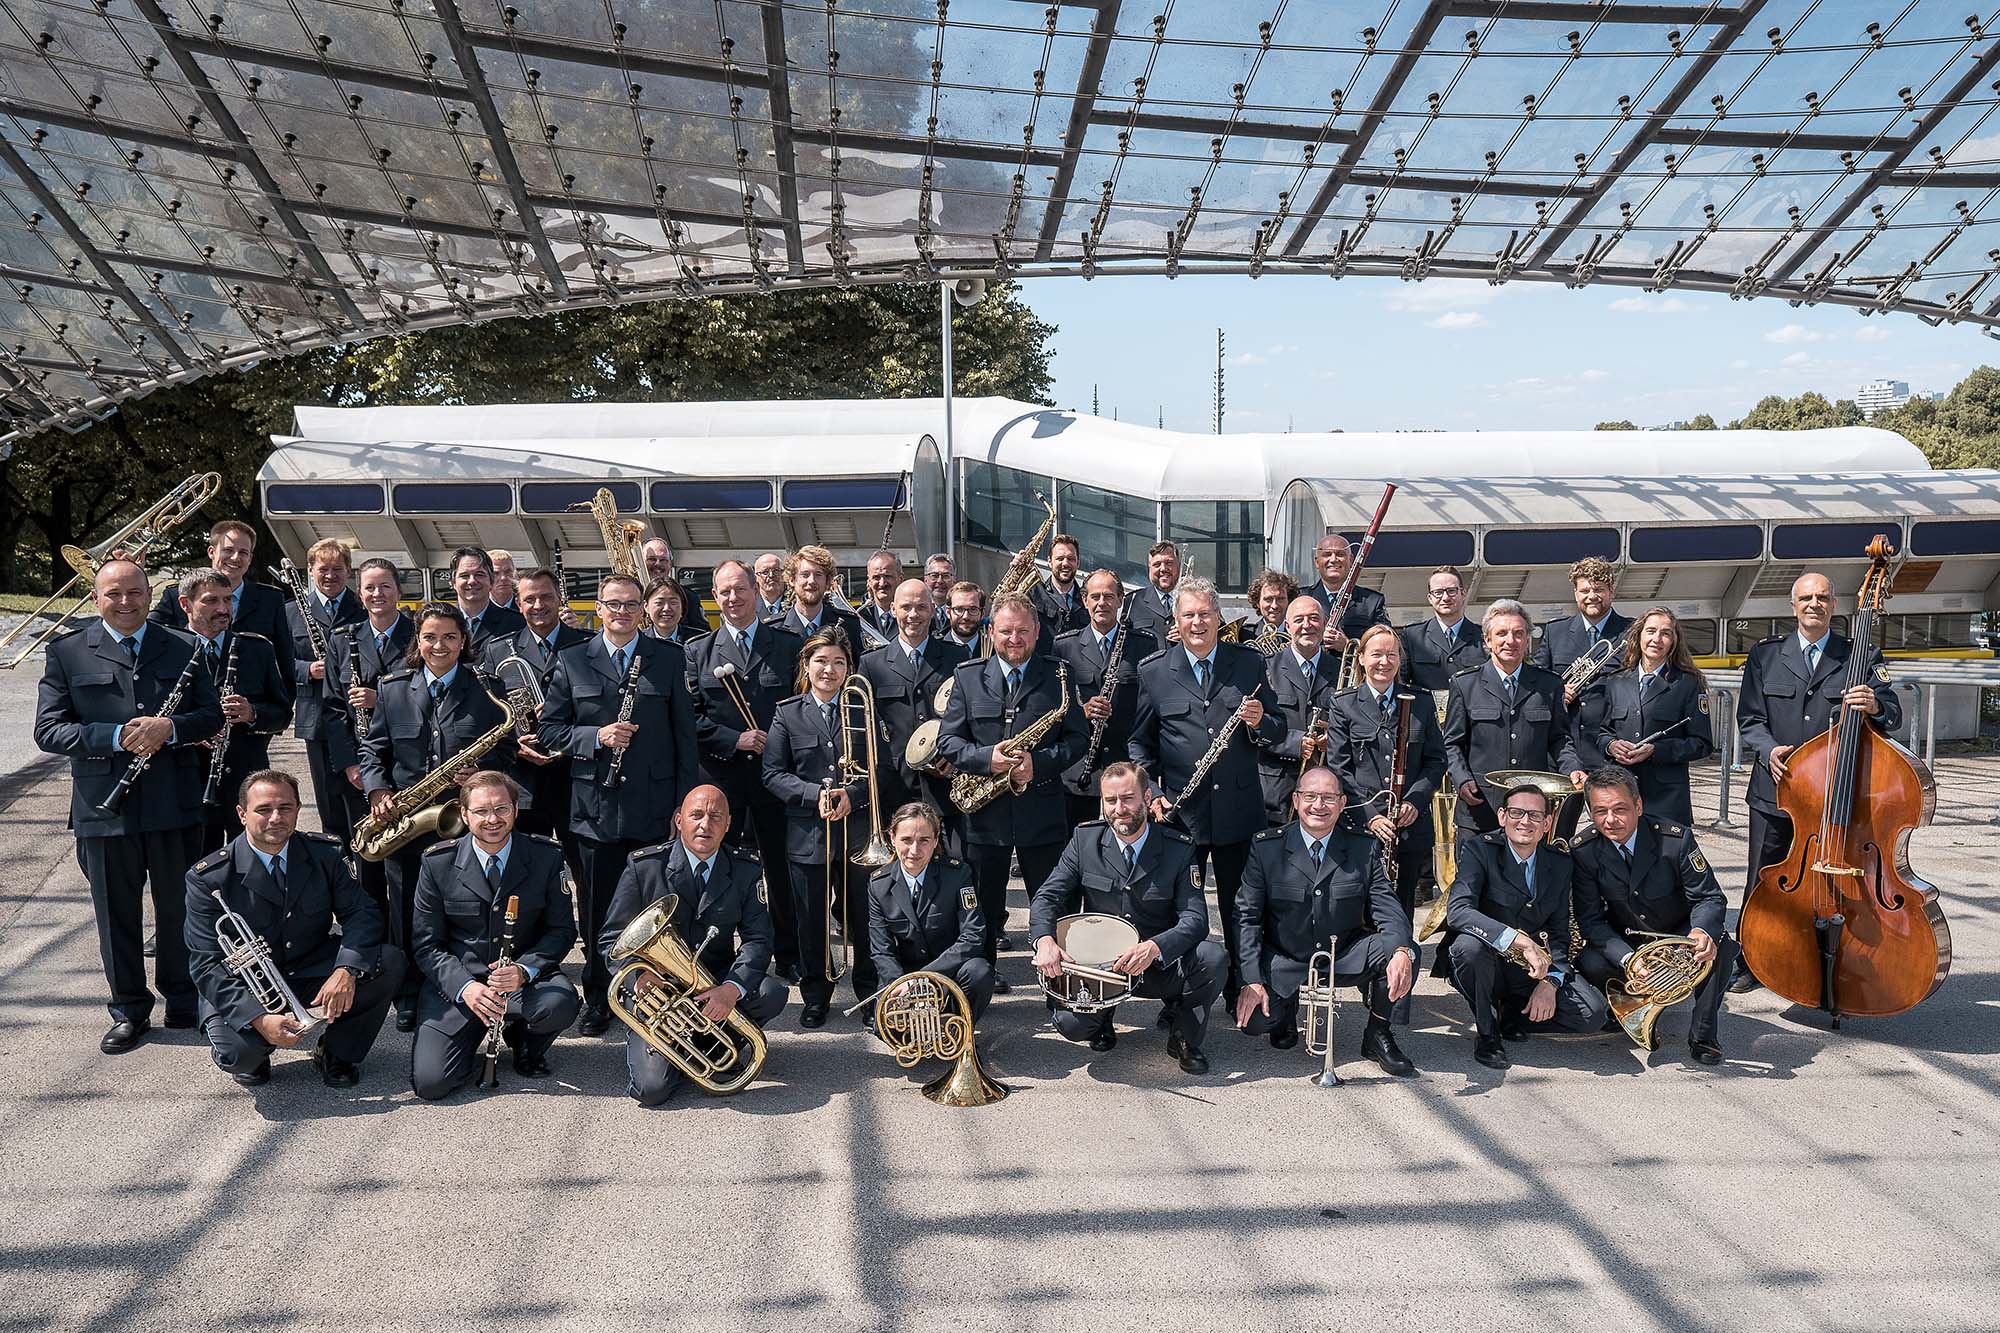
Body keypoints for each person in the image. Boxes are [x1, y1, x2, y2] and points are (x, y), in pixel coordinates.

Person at [36, 556, 222, 1053]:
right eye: (114, 593)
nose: (125, 602)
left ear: (149, 595)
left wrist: (171, 727)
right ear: (95, 598)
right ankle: (129, 1009)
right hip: (104, 809)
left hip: (173, 803)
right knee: (115, 914)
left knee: (180, 909)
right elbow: (49, 730)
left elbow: (211, 716)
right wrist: (116, 736)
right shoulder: (67, 652)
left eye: (135, 592)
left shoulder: (184, 646)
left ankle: (183, 1000)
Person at [537, 572, 699, 1034]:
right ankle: (599, 997)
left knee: (657, 909)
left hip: (654, 806)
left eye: (631, 604)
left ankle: (659, 997)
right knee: (598, 909)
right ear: (599, 609)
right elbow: (549, 731)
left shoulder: (668, 658)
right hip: (596, 811)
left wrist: (683, 806)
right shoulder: (572, 659)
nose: (622, 612)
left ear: (642, 610)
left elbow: (685, 739)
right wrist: (597, 736)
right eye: (614, 604)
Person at [1733, 571, 1899, 991]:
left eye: (1822, 597)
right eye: (1806, 598)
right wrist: (1768, 749)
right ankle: (1750, 959)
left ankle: (1824, 956)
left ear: (1834, 605)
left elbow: (1893, 714)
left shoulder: (1861, 654)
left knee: (1834, 882)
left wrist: (1875, 704)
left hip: (1836, 797)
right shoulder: (1766, 654)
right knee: (1762, 877)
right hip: (1776, 790)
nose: (1814, 604)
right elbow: (1749, 718)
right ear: (1793, 606)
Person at [354, 601, 516, 1030]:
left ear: (463, 641)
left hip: (464, 821)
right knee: (406, 910)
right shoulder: (392, 688)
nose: (438, 645)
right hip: (407, 821)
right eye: (429, 637)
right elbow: (373, 750)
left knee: (464, 909)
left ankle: (462, 985)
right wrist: (378, 790)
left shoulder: (486, 688)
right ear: (417, 641)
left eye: (449, 637)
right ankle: (408, 994)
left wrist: (481, 770)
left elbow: (506, 751)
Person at [183, 770, 401, 1087]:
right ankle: (255, 1055)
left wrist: (346, 970)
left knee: (388, 961)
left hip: (310, 966)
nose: (276, 818)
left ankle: (337, 1053)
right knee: (238, 1054)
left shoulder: (324, 853)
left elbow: (362, 913)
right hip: (247, 985)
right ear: (242, 814)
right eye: (263, 809)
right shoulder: (209, 877)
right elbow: (205, 964)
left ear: (298, 809)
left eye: (285, 808)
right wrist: (258, 1018)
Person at [1128, 576, 1283, 1005]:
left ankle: (1240, 987)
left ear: (1218, 617)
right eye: (1189, 615)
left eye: (1205, 614)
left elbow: (1277, 729)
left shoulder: (1248, 663)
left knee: (1242, 909)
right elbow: (1139, 744)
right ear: (1176, 620)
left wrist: (1260, 722)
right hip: (1181, 815)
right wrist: (1152, 789)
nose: (1197, 622)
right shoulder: (1154, 670)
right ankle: (1178, 996)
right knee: (1178, 911)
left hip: (1239, 812)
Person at [598, 784, 788, 1106]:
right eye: (696, 815)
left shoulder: (745, 869)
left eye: (716, 817)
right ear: (679, 820)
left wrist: (731, 988)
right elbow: (610, 939)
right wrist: (637, 978)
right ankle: (689, 1051)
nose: (705, 824)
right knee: (652, 1090)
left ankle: (708, 1046)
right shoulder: (645, 866)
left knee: (771, 993)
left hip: (714, 981)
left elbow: (758, 938)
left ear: (728, 824)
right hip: (657, 994)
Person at [936, 593, 1089, 987]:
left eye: (1023, 630)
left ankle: (1060, 984)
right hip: (984, 815)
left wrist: (1039, 763)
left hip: (1041, 810)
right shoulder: (968, 676)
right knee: (982, 908)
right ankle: (980, 981)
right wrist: (986, 758)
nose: (1015, 639)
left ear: (1037, 631)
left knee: (1053, 902)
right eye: (1006, 631)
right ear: (991, 632)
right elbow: (948, 742)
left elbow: (1078, 739)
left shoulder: (1059, 675)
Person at [1031, 763, 1225, 1074]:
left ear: (1147, 798)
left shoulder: (1178, 847)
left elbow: (1195, 918)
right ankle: (1101, 1019)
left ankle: (1183, 1035)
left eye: (1128, 798)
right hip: (1100, 969)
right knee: (1072, 1026)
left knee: (1213, 957)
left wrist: (1155, 947)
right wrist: (1044, 941)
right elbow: (1047, 896)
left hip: (1156, 965)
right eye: (1110, 800)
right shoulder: (1084, 840)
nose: (1119, 809)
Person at [1234, 767, 1418, 1075]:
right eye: (1310, 796)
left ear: (1343, 803)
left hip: (1342, 954)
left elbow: (1387, 906)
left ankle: (1378, 1033)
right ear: (1296, 800)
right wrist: (1251, 979)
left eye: (1329, 798)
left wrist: (1401, 950)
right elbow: (1247, 917)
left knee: (1404, 950)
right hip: (1285, 958)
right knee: (1254, 1023)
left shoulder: (1364, 846)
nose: (1318, 805)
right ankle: (1286, 1006)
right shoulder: (1266, 847)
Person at [409, 771, 580, 1098]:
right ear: (464, 814)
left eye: (501, 809)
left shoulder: (545, 856)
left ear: (515, 810)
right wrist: (466, 988)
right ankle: (471, 1032)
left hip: (519, 983)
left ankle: (525, 1042)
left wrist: (524, 970)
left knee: (559, 1003)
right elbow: (427, 945)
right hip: (461, 986)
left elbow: (561, 931)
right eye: (481, 811)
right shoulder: (437, 863)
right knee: (432, 1084)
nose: (492, 819)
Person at [1569, 766, 1735, 1064]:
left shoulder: (1674, 839)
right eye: (1600, 811)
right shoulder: (1584, 850)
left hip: (1679, 935)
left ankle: (1703, 1034)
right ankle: (1633, 1006)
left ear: (1639, 805)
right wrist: (1628, 959)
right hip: (1627, 939)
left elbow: (1709, 897)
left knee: (1718, 944)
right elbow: (1590, 920)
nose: (1610, 820)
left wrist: (1700, 932)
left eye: (1620, 809)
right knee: (1589, 960)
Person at [1324, 624, 1445, 1018]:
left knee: (1401, 910)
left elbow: (1436, 761)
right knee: (1359, 910)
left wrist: (1415, 801)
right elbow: (1339, 768)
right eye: (1375, 654)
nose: (1384, 661)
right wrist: (1371, 815)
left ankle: (1393, 1004)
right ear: (1361, 658)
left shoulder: (1419, 702)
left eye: (1391, 654)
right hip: (1361, 829)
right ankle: (1369, 978)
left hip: (1408, 827)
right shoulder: (1343, 704)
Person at [1442, 784, 1608, 1070]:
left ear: (1547, 823)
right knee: (1467, 949)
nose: (1525, 821)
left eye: (1535, 815)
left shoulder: (1560, 863)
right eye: (1517, 813)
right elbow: (1458, 911)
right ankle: (1487, 1033)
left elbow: (1560, 932)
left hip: (1530, 968)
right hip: (1487, 961)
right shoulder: (1480, 849)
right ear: (1502, 816)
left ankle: (1513, 1015)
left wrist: (1551, 982)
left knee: (1591, 1015)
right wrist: (1520, 940)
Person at [761, 629, 880, 1025]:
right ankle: (815, 996)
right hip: (808, 834)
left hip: (857, 831)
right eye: (821, 661)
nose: (829, 670)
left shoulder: (862, 710)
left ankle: (869, 993)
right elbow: (772, 774)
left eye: (838, 662)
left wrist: (854, 794)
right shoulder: (787, 712)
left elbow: (882, 768)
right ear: (806, 665)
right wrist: (816, 794)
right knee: (811, 921)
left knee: (863, 917)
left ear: (849, 668)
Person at [1443, 599, 1583, 836]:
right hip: (1480, 807)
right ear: (1487, 640)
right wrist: (1462, 779)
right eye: (1502, 633)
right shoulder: (1464, 684)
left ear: (1528, 640)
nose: (1511, 640)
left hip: (1531, 811)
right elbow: (1451, 743)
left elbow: (1560, 739)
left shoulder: (1549, 684)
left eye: (1518, 634)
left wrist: (1573, 768)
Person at [180, 569, 291, 853]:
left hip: (246, 779)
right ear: (185, 604)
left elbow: (282, 713)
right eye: (211, 600)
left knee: (250, 863)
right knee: (197, 863)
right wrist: (192, 730)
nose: (223, 608)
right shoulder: (169, 650)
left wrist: (252, 713)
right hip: (189, 781)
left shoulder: (256, 648)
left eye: (228, 600)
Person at [324, 557, 413, 904]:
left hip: (407, 763)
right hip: (360, 768)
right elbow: (332, 708)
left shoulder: (418, 634)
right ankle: (372, 928)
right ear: (359, 594)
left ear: (398, 591)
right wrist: (350, 763)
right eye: (370, 588)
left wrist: (381, 699)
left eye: (385, 586)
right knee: (367, 856)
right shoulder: (342, 640)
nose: (378, 594)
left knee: (407, 857)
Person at [481, 568, 589, 841]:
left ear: (559, 599)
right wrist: (515, 747)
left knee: (582, 863)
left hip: (576, 777)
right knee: (527, 862)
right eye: (530, 599)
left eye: (546, 597)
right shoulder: (498, 650)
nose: (538, 605)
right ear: (519, 604)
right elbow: (488, 715)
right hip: (524, 780)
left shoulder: (587, 644)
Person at [858, 578, 966, 848]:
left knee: (955, 867)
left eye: (921, 607)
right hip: (896, 788)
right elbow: (866, 729)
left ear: (933, 609)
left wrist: (956, 757)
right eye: (906, 607)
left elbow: (970, 717)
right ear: (893, 609)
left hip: (948, 787)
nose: (913, 615)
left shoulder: (958, 657)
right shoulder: (871, 663)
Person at [864, 803, 993, 1022]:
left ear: (935, 841)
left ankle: (957, 1026)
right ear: (892, 838)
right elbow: (881, 950)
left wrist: (923, 980)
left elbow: (973, 936)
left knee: (979, 972)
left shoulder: (958, 874)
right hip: (904, 977)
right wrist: (900, 985)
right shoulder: (878, 884)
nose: (915, 850)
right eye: (906, 840)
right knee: (885, 1028)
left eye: (924, 840)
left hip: (949, 972)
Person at [1053, 569, 1156, 827]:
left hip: (1128, 766)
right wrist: (1082, 712)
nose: (1102, 603)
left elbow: (1151, 708)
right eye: (1095, 596)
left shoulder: (1143, 644)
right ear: (1084, 600)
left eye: (1109, 596)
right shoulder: (1064, 646)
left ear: (1121, 600)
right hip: (1080, 772)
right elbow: (1053, 708)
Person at [1593, 606, 1714, 825]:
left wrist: (1656, 751)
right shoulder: (1616, 681)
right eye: (1650, 631)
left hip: (1667, 799)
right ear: (1639, 635)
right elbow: (1603, 733)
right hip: (1621, 793)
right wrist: (1611, 745)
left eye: (1665, 633)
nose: (1656, 639)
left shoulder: (1687, 684)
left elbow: (1702, 744)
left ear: (1674, 641)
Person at [281, 538, 366, 846]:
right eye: (323, 569)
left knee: (362, 797)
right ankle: (336, 860)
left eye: (337, 569)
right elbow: (277, 662)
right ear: (310, 570)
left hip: (358, 716)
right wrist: (307, 670)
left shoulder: (364, 607)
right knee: (328, 803)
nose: (330, 576)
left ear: (349, 571)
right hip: (316, 719)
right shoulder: (290, 612)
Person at [147, 519, 295, 684]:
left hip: (249, 694)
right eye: (228, 550)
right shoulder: (177, 595)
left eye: (243, 552)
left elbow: (285, 660)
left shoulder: (270, 599)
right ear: (211, 552)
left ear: (250, 558)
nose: (235, 557)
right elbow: (147, 634)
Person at [1257, 595, 1339, 822]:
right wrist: (1294, 743)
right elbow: (1253, 727)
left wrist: (1334, 738)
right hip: (1277, 790)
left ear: (1325, 623)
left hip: (1325, 792)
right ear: (1287, 625)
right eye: (1299, 619)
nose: (1307, 625)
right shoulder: (1265, 668)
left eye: (1314, 618)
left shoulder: (1341, 669)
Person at [1532, 556, 1633, 698]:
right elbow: (1535, 679)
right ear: (1576, 594)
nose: (1592, 596)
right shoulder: (1555, 632)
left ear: (1611, 592)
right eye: (1585, 591)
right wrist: (1556, 692)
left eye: (1598, 589)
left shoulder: (1632, 631)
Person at [1399, 565, 1483, 692]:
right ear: (1430, 598)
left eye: (1451, 591)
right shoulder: (1412, 637)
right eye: (1438, 592)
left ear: (1463, 593)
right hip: (1427, 705)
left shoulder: (1482, 636)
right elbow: (1401, 683)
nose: (1445, 598)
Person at [776, 544, 865, 663]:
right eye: (805, 575)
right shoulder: (774, 629)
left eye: (818, 575)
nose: (811, 581)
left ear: (827, 582)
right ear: (792, 580)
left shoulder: (848, 625)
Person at [1304, 533, 1390, 651]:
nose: (1333, 559)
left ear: (1351, 560)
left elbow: (1386, 647)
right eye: (1327, 554)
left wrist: (1347, 645)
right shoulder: (1301, 598)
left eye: (1340, 554)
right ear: (1317, 562)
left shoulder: (1372, 602)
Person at [447, 546, 525, 648]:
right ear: (453, 582)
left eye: (479, 574)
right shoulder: (441, 622)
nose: (472, 581)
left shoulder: (517, 623)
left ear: (491, 581)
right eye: (464, 575)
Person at [1028, 532, 1089, 640]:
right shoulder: (1033, 595)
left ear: (1078, 563)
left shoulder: (1088, 599)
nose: (1065, 563)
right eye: (1060, 558)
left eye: (1071, 559)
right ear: (1049, 561)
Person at [1123, 540, 1181, 646]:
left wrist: (1190, 634)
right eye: (1156, 564)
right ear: (1149, 568)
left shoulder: (1196, 600)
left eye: (1169, 563)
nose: (1163, 569)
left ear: (1179, 565)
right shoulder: (1132, 602)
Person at [643, 576, 702, 647]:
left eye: (673, 603)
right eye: (659, 603)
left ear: (682, 607)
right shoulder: (638, 641)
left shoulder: (700, 642)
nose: (666, 608)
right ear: (646, 606)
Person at [937, 580, 989, 659]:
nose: (965, 616)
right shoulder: (934, 650)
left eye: (973, 609)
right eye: (959, 609)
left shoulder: (995, 650)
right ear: (948, 612)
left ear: (982, 613)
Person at [859, 549, 902, 642]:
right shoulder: (857, 617)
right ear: (869, 582)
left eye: (887, 576)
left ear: (900, 579)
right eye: (876, 577)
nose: (882, 583)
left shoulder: (911, 615)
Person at [922, 552, 956, 636]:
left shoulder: (961, 612)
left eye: (946, 575)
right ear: (925, 580)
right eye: (934, 575)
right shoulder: (918, 611)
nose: (940, 581)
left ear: (954, 579)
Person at [753, 552, 788, 620]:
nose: (771, 575)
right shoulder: (750, 606)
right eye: (765, 572)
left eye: (776, 570)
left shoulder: (795, 603)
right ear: (756, 577)